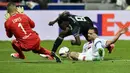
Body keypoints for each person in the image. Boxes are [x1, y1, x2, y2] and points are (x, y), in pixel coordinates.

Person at [48, 11, 113, 58]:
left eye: (62, 26)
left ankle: (108, 45)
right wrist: (53, 22)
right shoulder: (66, 17)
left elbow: (79, 43)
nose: (62, 28)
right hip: (83, 21)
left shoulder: (74, 27)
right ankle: (52, 52)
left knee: (92, 40)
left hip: (86, 25)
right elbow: (62, 15)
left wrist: (73, 42)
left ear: (65, 23)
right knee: (62, 34)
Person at [62, 27, 128, 61]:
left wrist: (119, 34)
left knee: (97, 40)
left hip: (95, 55)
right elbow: (83, 54)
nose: (88, 35)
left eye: (90, 34)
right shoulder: (85, 45)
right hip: (88, 56)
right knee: (73, 53)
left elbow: (112, 41)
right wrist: (72, 56)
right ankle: (67, 54)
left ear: (95, 34)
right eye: (88, 33)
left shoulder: (100, 40)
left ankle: (100, 52)